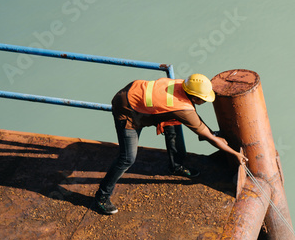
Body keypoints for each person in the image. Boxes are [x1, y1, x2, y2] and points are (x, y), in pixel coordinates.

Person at [94, 73, 246, 215]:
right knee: (127, 158)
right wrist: (234, 153)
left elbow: (195, 119)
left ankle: (176, 166)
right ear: (194, 98)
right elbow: (204, 132)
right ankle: (102, 196)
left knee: (173, 126)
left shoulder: (182, 85)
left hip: (137, 93)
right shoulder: (182, 109)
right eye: (204, 99)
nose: (205, 101)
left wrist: (211, 134)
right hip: (127, 109)